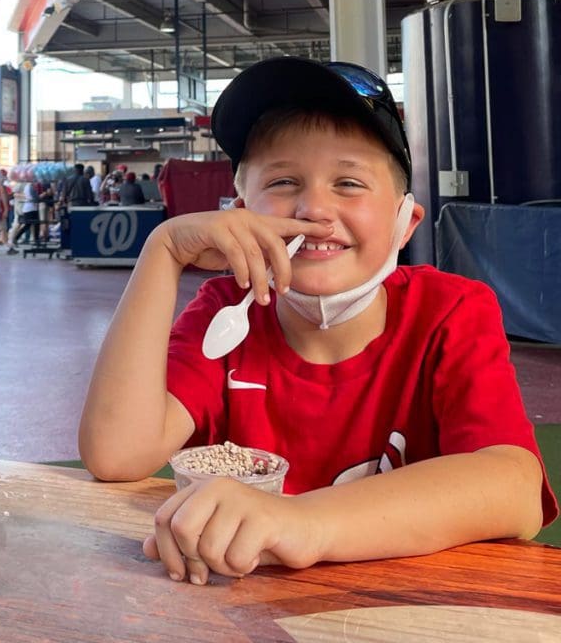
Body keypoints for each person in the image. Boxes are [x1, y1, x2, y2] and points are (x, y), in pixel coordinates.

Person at [79, 57, 556, 583]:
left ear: (405, 222)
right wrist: (162, 251)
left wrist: (299, 522)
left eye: (349, 183)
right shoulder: (225, 313)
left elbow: (514, 487)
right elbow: (116, 454)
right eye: (283, 181)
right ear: (238, 213)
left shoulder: (448, 312)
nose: (313, 208)